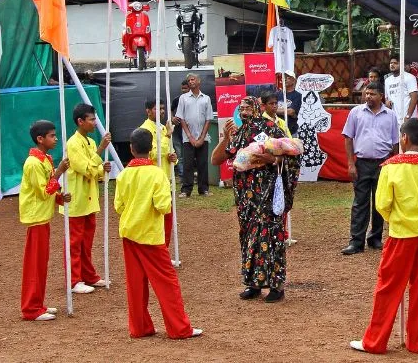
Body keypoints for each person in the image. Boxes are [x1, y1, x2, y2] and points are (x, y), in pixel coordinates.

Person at [350, 118, 418, 355]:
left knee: (388, 288)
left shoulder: (390, 167)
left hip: (401, 235)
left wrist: (396, 219)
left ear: (404, 138)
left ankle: (375, 341)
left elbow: (382, 204)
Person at [115, 128, 202, 339]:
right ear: (152, 148)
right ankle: (179, 328)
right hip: (151, 235)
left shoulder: (123, 174)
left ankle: (139, 327)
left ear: (131, 149)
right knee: (167, 282)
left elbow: (119, 206)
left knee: (135, 282)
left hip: (129, 232)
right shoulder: (157, 174)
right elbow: (163, 206)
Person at [211, 97, 299, 302]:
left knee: (272, 237)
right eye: (240, 108)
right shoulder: (239, 133)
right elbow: (216, 160)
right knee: (249, 237)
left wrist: (267, 158)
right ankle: (253, 284)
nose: (243, 111)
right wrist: (225, 137)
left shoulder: (271, 128)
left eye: (247, 108)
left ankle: (276, 286)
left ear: (257, 109)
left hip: (267, 194)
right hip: (245, 198)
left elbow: (287, 156)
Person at [19, 120, 70, 321]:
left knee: (41, 264)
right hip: (36, 218)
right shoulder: (33, 163)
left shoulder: (44, 159)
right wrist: (59, 172)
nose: (55, 139)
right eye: (51, 136)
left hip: (42, 217)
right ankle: (31, 308)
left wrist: (59, 197)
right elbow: (42, 191)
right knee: (35, 264)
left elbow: (48, 191)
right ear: (40, 139)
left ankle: (37, 303)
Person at [340, 82, 400, 255]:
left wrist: (394, 163)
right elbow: (348, 138)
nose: (368, 97)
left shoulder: (390, 115)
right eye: (366, 94)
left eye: (372, 94)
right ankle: (356, 242)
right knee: (360, 203)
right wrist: (351, 163)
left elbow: (395, 141)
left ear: (381, 95)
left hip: (383, 163)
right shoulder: (356, 113)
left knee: (380, 203)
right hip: (362, 163)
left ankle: (375, 238)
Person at [62, 104, 113, 294]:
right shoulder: (73, 144)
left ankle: (88, 275)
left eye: (95, 119)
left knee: (87, 241)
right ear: (80, 122)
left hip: (89, 199)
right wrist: (100, 151)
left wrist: (102, 168)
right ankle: (74, 280)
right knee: (74, 242)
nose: (94, 123)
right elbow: (87, 168)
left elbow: (97, 170)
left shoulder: (90, 142)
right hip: (75, 199)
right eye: (91, 119)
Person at [142, 100, 180, 248]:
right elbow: (152, 154)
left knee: (167, 219)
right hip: (153, 180)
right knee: (156, 218)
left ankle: (164, 251)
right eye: (158, 109)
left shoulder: (164, 128)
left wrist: (174, 158)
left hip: (165, 178)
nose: (162, 112)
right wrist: (167, 137)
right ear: (148, 111)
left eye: (163, 109)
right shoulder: (145, 130)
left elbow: (169, 153)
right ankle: (157, 252)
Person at [176, 74, 215, 197]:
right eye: (189, 80)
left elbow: (208, 119)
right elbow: (181, 118)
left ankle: (203, 189)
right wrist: (191, 137)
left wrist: (202, 137)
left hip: (203, 137)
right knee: (188, 164)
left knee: (203, 163)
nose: (190, 82)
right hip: (188, 138)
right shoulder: (183, 98)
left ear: (199, 81)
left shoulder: (206, 98)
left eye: (193, 79)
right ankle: (186, 190)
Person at [384, 57, 418, 122]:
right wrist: (387, 102)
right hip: (394, 118)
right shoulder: (387, 80)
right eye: (391, 63)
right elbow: (387, 98)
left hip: (409, 118)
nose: (392, 65)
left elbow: (414, 97)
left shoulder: (409, 77)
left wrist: (408, 115)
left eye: (395, 63)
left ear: (402, 65)